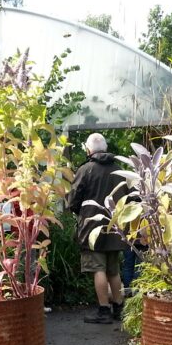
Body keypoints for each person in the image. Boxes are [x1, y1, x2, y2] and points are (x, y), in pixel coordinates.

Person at [67, 132, 129, 324]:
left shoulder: (85, 170)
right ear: (106, 148)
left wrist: (79, 212)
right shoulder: (119, 170)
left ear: (88, 150)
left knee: (98, 269)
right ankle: (119, 308)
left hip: (92, 228)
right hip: (115, 227)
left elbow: (74, 200)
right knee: (113, 270)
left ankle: (104, 310)